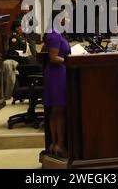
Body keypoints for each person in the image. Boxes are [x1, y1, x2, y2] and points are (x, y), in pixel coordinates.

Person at [44, 10, 71, 158]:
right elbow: (53, 58)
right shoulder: (54, 34)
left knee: (56, 111)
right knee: (58, 111)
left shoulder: (58, 34)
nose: (68, 19)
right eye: (65, 17)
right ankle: (59, 144)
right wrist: (70, 60)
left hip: (59, 73)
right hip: (57, 75)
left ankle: (55, 144)